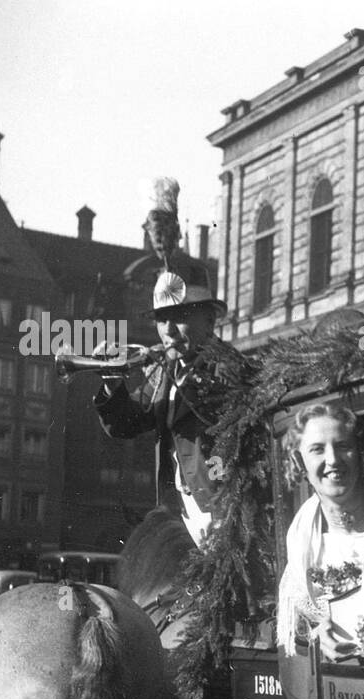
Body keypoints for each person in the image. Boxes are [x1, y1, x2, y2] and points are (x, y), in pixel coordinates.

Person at [93, 180, 242, 546]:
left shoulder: (231, 369)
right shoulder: (164, 371)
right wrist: (114, 383)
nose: (169, 331)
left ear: (209, 320)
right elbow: (128, 424)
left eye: (181, 317)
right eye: (162, 320)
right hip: (177, 518)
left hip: (226, 517)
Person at [276, 404, 364, 664]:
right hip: (345, 689)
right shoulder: (303, 532)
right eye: (317, 449)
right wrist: (319, 635)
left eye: (342, 446)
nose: (333, 460)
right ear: (298, 460)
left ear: (359, 452)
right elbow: (299, 623)